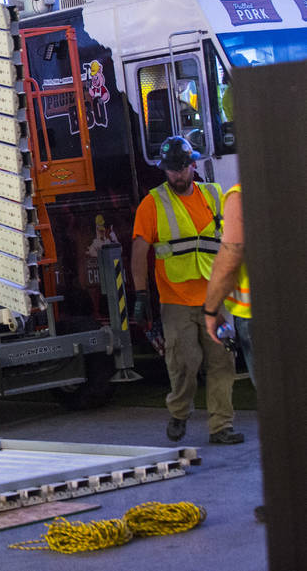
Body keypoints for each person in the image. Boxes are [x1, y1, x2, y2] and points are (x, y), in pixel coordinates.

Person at [131, 136, 242, 445]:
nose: (177, 175)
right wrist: (141, 295)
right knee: (184, 364)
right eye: (171, 170)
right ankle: (179, 413)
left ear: (193, 164)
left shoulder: (213, 195)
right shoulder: (153, 203)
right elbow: (139, 251)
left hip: (214, 299)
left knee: (222, 361)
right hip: (176, 301)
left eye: (181, 168)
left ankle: (221, 426)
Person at [203, 182, 261, 522]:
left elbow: (230, 255)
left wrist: (212, 310)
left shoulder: (242, 194)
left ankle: (289, 496)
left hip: (260, 315)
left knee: (283, 407)